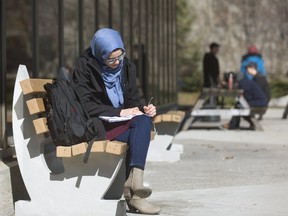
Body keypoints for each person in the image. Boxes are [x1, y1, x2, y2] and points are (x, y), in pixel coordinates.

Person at [71, 28, 161, 214]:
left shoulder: (127, 67)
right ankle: (135, 196)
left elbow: (133, 99)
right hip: (99, 126)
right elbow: (86, 106)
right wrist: (119, 112)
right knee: (139, 133)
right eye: (110, 59)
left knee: (143, 122)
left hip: (121, 123)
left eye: (120, 56)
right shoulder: (84, 68)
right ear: (99, 54)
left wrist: (144, 109)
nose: (116, 63)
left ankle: (136, 183)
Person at [222, 63, 269, 130]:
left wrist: (227, 85)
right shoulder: (246, 81)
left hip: (259, 103)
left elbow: (245, 93)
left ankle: (234, 124)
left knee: (240, 106)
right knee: (240, 105)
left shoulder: (245, 82)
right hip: (260, 102)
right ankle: (235, 124)